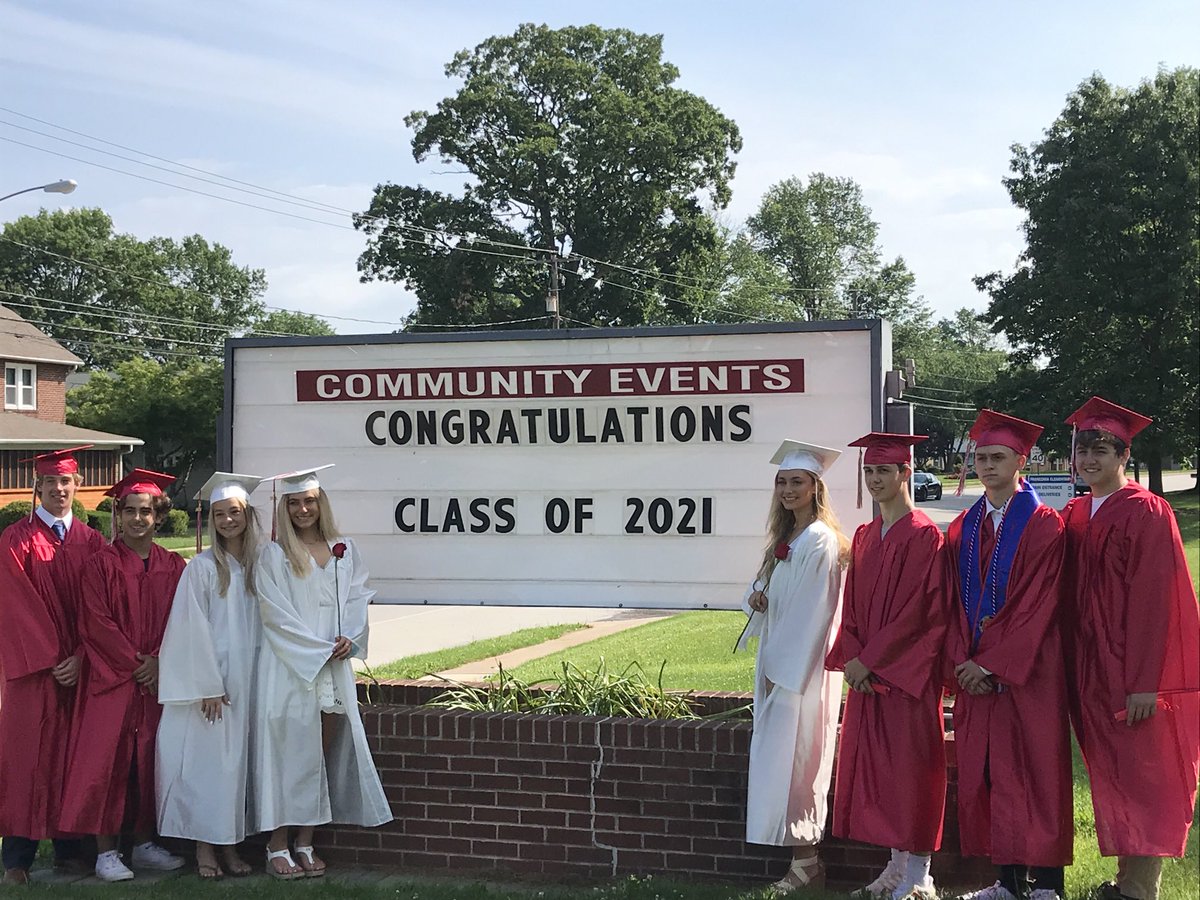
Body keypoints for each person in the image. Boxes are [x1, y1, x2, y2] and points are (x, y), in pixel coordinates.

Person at [1061, 397, 1199, 900]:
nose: (1089, 460)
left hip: (1130, 670)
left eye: (1101, 450)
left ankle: (1140, 889)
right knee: (1111, 770)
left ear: (1123, 456)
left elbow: (1155, 603)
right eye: (1082, 451)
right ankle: (1124, 883)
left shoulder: (1146, 510)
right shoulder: (1076, 512)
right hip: (1089, 666)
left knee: (1144, 774)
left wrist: (1145, 682)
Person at [942, 410, 1072, 900]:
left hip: (1028, 674)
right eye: (981, 457)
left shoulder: (1043, 525)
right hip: (976, 677)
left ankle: (1048, 886)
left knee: (1037, 772)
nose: (987, 466)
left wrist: (990, 663)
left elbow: (1040, 605)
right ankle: (1007, 882)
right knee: (991, 774)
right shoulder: (964, 527)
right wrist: (963, 661)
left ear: (1022, 461)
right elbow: (952, 603)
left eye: (998, 457)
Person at [251, 466, 392, 880]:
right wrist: (316, 649)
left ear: (320, 503)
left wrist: (349, 636)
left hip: (333, 667)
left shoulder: (343, 548)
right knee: (289, 757)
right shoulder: (274, 555)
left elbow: (357, 596)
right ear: (284, 509)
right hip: (291, 669)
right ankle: (276, 844)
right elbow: (274, 615)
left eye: (309, 501)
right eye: (293, 503)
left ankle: (306, 841)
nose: (302, 509)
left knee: (320, 755)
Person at [825, 433, 948, 900]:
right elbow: (851, 607)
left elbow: (920, 613)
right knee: (883, 773)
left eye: (884, 471)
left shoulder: (925, 536)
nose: (875, 479)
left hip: (906, 679)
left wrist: (870, 661)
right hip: (868, 676)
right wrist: (853, 657)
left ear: (905, 473)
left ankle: (920, 875)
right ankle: (895, 869)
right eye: (869, 472)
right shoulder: (864, 536)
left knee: (914, 770)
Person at [58, 468, 188, 882]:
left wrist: (161, 662)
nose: (136, 519)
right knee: (105, 763)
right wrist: (139, 663)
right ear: (118, 515)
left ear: (158, 517)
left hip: (155, 681)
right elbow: (96, 623)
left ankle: (145, 843)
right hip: (110, 681)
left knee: (150, 761)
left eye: (145, 512)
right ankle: (106, 852)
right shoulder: (100, 565)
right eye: (129, 511)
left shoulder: (174, 566)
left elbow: (184, 622)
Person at [736, 440, 849, 893]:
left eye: (796, 481)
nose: (787, 489)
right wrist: (758, 599)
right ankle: (801, 862)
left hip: (800, 672)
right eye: (782, 481)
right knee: (781, 762)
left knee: (799, 761)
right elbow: (761, 593)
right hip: (780, 666)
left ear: (815, 486)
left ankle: (807, 863)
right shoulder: (788, 539)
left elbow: (814, 614)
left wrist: (781, 670)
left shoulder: (819, 540)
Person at [0, 447, 105, 885]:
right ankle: (17, 861)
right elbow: (14, 606)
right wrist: (49, 657)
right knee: (25, 760)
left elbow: (101, 610)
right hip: (34, 673)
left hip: (79, 669)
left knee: (72, 757)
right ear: (37, 487)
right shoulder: (15, 540)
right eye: (51, 483)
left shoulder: (93, 542)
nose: (59, 489)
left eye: (66, 482)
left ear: (75, 486)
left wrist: (82, 656)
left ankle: (70, 850)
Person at [155, 473, 266, 880]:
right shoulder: (201, 569)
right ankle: (205, 848)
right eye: (219, 514)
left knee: (238, 768)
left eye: (233, 512)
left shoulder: (261, 564)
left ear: (246, 515)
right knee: (210, 767)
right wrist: (207, 685)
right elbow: (188, 629)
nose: (227, 520)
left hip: (251, 679)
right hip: (214, 685)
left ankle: (231, 845)